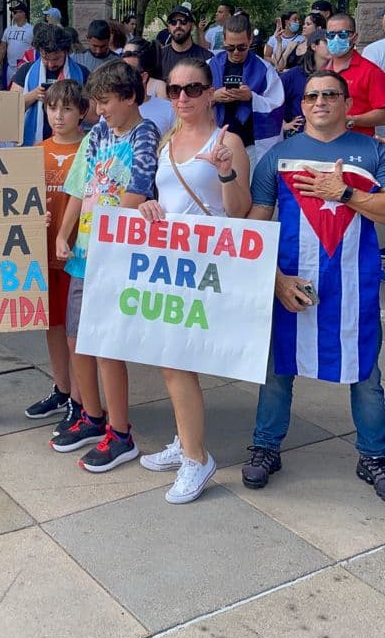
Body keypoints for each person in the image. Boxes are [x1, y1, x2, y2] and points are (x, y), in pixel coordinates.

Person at [242, 70, 385, 502]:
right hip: (290, 282)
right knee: (276, 369)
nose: (319, 101)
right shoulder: (277, 156)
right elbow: (255, 225)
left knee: (366, 375)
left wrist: (344, 194)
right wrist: (275, 280)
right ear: (301, 105)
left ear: (345, 102)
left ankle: (374, 454)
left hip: (354, 288)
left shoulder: (372, 151)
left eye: (329, 94)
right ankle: (266, 447)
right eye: (311, 96)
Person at [139, 58, 251, 502]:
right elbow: (163, 196)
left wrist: (225, 169)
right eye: (175, 91)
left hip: (206, 265)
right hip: (170, 264)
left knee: (176, 360)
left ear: (210, 92)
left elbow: (239, 211)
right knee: (169, 358)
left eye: (192, 89)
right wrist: (148, 206)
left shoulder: (229, 141)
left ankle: (196, 458)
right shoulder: (168, 140)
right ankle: (185, 440)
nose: (182, 97)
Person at [52, 61, 159, 471]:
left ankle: (120, 432)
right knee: (77, 339)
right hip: (84, 255)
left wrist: (104, 234)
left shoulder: (145, 135)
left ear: (130, 97)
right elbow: (80, 189)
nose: (99, 110)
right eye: (96, 102)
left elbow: (137, 191)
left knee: (107, 347)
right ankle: (91, 416)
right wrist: (66, 233)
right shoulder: (97, 134)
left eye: (106, 101)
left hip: (115, 255)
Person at [25, 81, 87, 430]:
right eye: (52, 108)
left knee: (75, 331)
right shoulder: (37, 149)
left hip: (77, 254)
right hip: (44, 250)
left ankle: (80, 400)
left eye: (66, 108)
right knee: (52, 325)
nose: (58, 115)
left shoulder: (90, 148)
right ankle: (61, 388)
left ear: (81, 112)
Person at [209, 10, 284, 167]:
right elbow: (191, 99)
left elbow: (277, 105)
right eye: (230, 47)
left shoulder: (264, 69)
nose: (236, 52)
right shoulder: (209, 65)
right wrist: (213, 97)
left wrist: (252, 98)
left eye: (242, 47)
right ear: (223, 40)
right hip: (213, 142)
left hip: (250, 146)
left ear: (250, 40)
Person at [11, 24, 88, 145]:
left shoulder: (81, 73)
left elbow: (93, 114)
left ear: (66, 52)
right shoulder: (26, 71)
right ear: (39, 52)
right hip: (33, 144)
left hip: (71, 143)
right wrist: (35, 95)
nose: (51, 64)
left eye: (56, 59)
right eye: (45, 58)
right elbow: (10, 108)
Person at [323, 13, 385, 136]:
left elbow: (383, 115)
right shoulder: (322, 71)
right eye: (331, 35)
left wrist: (350, 120)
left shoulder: (371, 72)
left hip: (359, 145)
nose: (336, 39)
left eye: (343, 34)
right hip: (325, 143)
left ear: (355, 37)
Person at [281, 30, 329, 136]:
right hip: (298, 136)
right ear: (314, 46)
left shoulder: (335, 74)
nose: (332, 45)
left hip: (327, 135)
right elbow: (272, 100)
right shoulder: (293, 75)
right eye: (326, 42)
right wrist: (283, 125)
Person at [121, 41, 174, 135]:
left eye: (129, 72)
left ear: (143, 77)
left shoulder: (169, 110)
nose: (122, 77)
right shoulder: (110, 108)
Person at [160, 6, 212, 79]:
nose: (178, 26)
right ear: (168, 27)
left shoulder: (207, 58)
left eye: (183, 21)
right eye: (173, 22)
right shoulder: (158, 58)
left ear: (192, 26)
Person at [0, 1, 34, 85]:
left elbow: (35, 49)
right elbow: (3, 47)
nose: (12, 14)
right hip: (10, 68)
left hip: (25, 67)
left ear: (23, 13)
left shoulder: (31, 30)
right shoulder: (8, 29)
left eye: (14, 12)